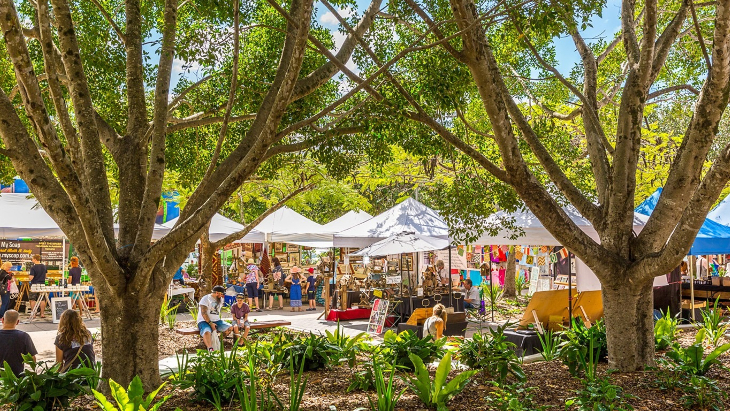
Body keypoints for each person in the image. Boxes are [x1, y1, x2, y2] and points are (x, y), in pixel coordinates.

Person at [0, 310, 37, 376]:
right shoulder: (24, 336)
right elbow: (32, 360)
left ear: (2, 320)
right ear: (17, 322)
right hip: (17, 379)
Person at [197, 285, 232, 351]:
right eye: (221, 294)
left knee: (229, 328)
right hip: (204, 320)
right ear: (217, 293)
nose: (221, 296)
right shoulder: (205, 299)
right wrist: (210, 323)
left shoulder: (221, 299)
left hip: (217, 320)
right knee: (207, 331)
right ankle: (210, 348)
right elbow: (203, 313)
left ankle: (217, 341)